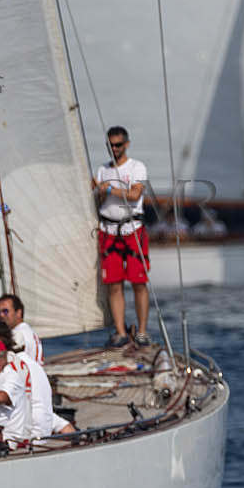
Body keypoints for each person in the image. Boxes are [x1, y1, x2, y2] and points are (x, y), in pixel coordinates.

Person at [93, 125, 151, 347]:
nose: (114, 149)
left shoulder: (137, 167)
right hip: (108, 231)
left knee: (139, 281)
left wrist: (109, 190)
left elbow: (135, 193)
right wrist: (98, 191)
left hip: (132, 229)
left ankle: (142, 331)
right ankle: (120, 331)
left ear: (126, 144)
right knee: (114, 283)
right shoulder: (102, 171)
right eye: (110, 145)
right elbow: (98, 200)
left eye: (118, 145)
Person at [0, 293, 42, 365]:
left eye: (5, 311)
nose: (1, 315)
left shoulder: (17, 334)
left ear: (18, 313)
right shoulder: (28, 331)